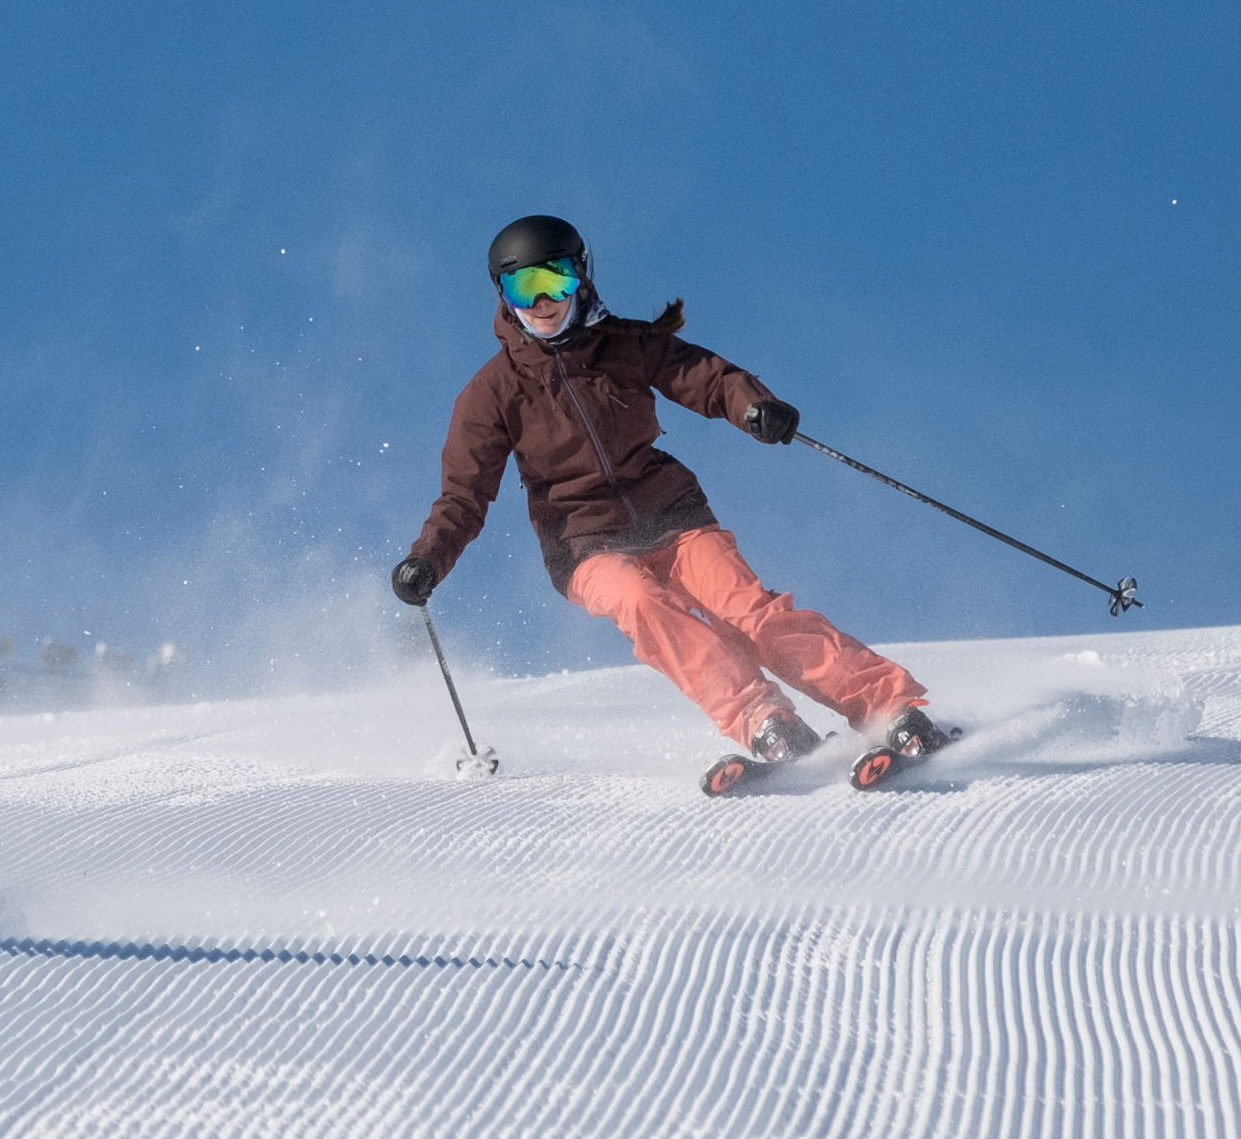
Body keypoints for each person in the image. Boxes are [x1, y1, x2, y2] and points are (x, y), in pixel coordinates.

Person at [388, 215, 953, 789]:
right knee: (639, 602)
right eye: (521, 288)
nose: (542, 301)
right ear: (503, 299)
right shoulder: (491, 394)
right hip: (583, 547)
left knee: (749, 612)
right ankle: (764, 720)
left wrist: (754, 407)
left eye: (553, 279)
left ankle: (889, 708)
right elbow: (465, 494)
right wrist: (429, 558)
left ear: (580, 275)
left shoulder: (627, 345)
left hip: (674, 519)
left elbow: (705, 378)